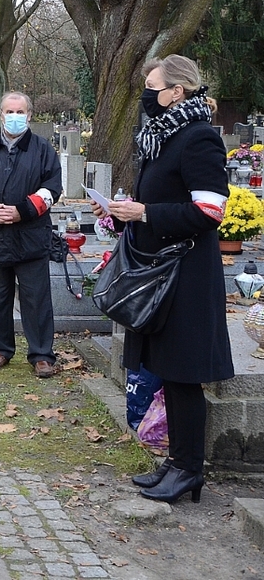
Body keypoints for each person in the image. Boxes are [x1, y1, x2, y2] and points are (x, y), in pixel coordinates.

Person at [90, 55, 233, 503]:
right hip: (157, 273)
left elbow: (211, 211)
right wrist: (117, 215)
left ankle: (190, 469)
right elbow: (151, 205)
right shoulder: (158, 139)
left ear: (177, 92)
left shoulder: (199, 138)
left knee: (184, 376)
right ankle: (176, 462)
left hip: (185, 277)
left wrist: (146, 212)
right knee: (168, 373)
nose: (146, 96)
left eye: (153, 87)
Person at [0, 92, 62, 378]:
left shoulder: (43, 150)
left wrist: (22, 211)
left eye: (20, 112)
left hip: (29, 237)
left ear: (29, 115)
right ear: (0, 115)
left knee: (36, 299)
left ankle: (42, 355)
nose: (14, 117)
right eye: (9, 112)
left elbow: (52, 189)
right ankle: (0, 349)